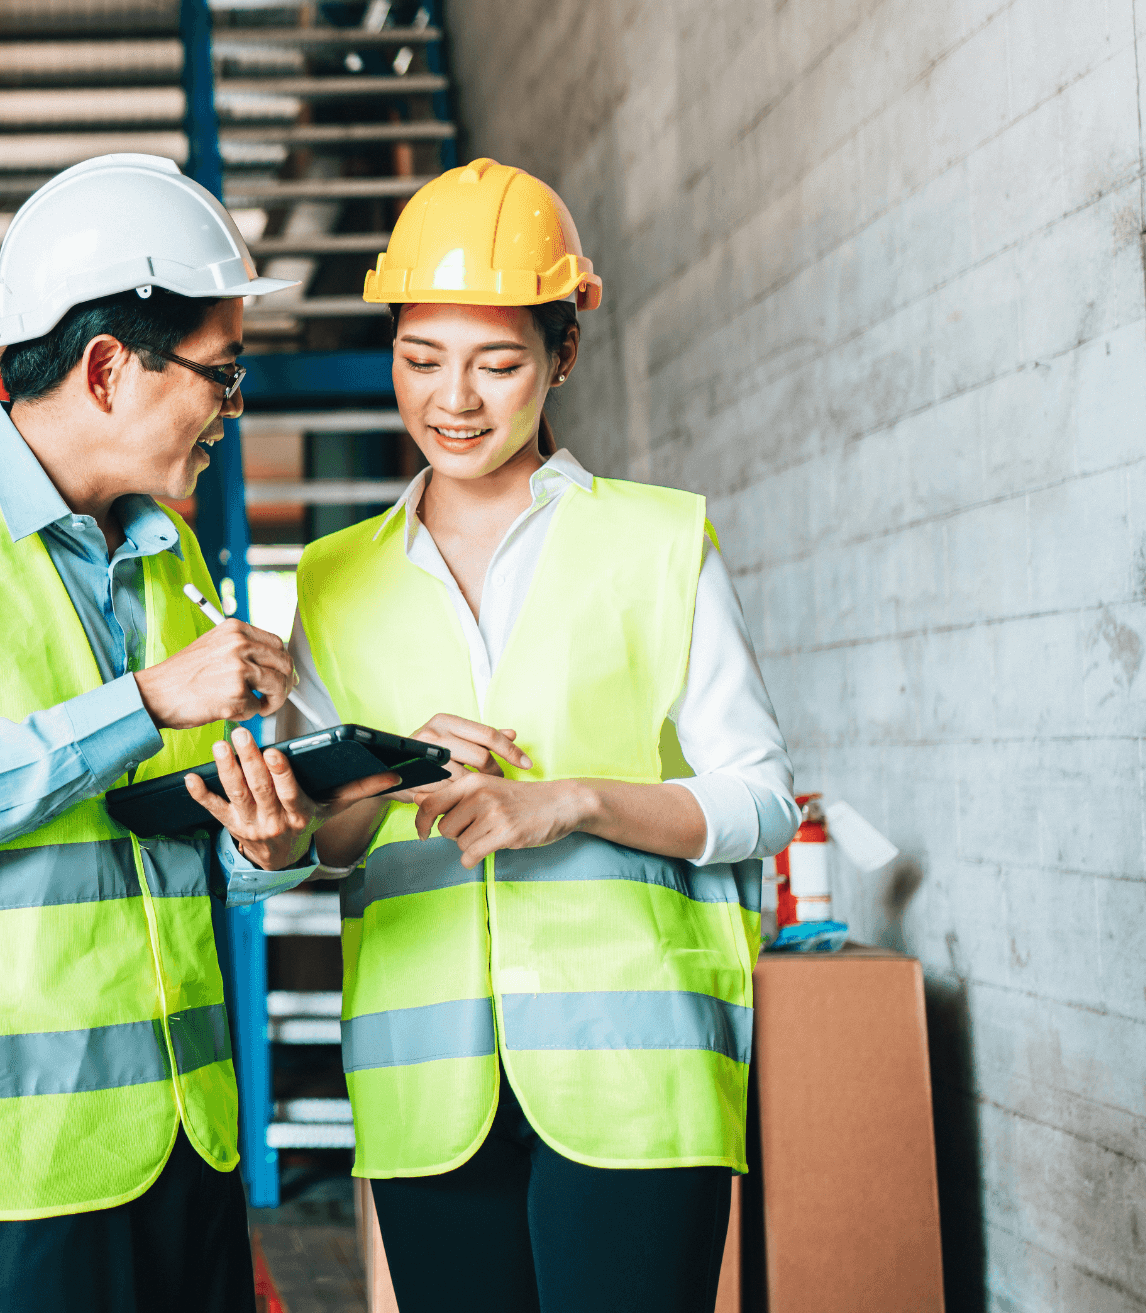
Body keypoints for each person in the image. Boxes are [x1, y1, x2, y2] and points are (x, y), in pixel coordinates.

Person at [0, 154, 391, 1313]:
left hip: (181, 1134)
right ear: (110, 367)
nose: (231, 408)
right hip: (11, 1159)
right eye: (222, 376)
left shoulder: (165, 563)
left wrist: (261, 847)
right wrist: (147, 702)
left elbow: (150, 834)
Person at [269, 159, 803, 1312]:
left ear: (560, 354)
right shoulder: (333, 577)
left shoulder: (659, 543)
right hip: (427, 1092)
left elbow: (760, 797)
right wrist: (376, 770)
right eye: (420, 360)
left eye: (497, 362)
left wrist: (571, 799)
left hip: (633, 1077)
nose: (452, 399)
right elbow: (327, 842)